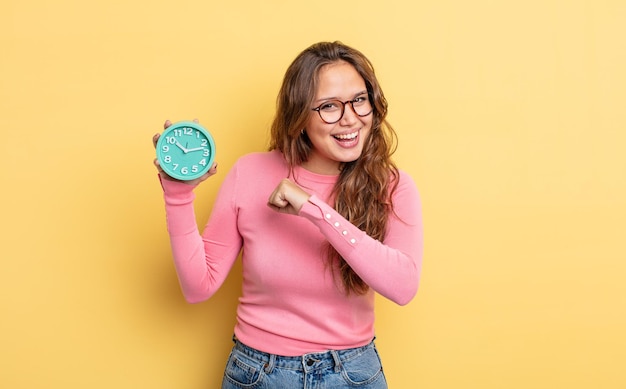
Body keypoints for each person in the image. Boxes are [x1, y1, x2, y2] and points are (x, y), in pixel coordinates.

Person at [153, 41, 423, 389]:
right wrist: (178, 195)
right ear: (299, 117)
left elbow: (402, 286)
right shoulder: (250, 173)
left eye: (359, 99)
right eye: (329, 106)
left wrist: (314, 210)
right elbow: (197, 287)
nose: (351, 118)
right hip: (258, 374)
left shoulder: (393, 186)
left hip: (352, 374)